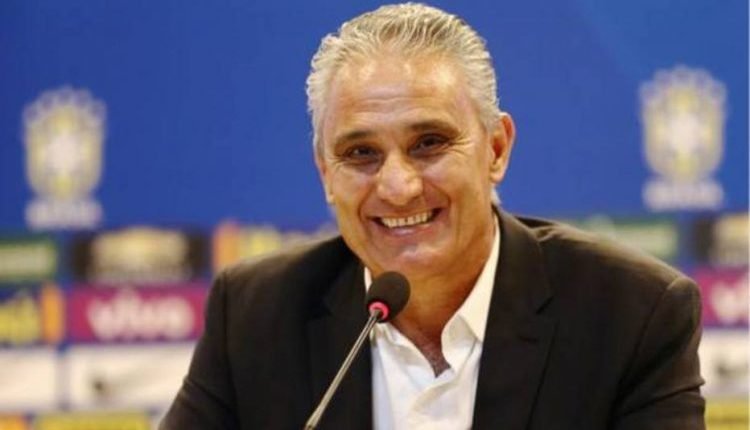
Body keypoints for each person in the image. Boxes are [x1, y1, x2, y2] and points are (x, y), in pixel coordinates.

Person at [161, 3, 705, 429]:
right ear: (325, 172)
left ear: (496, 149)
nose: (398, 187)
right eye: (360, 153)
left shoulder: (630, 314)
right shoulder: (254, 316)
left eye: (429, 143)